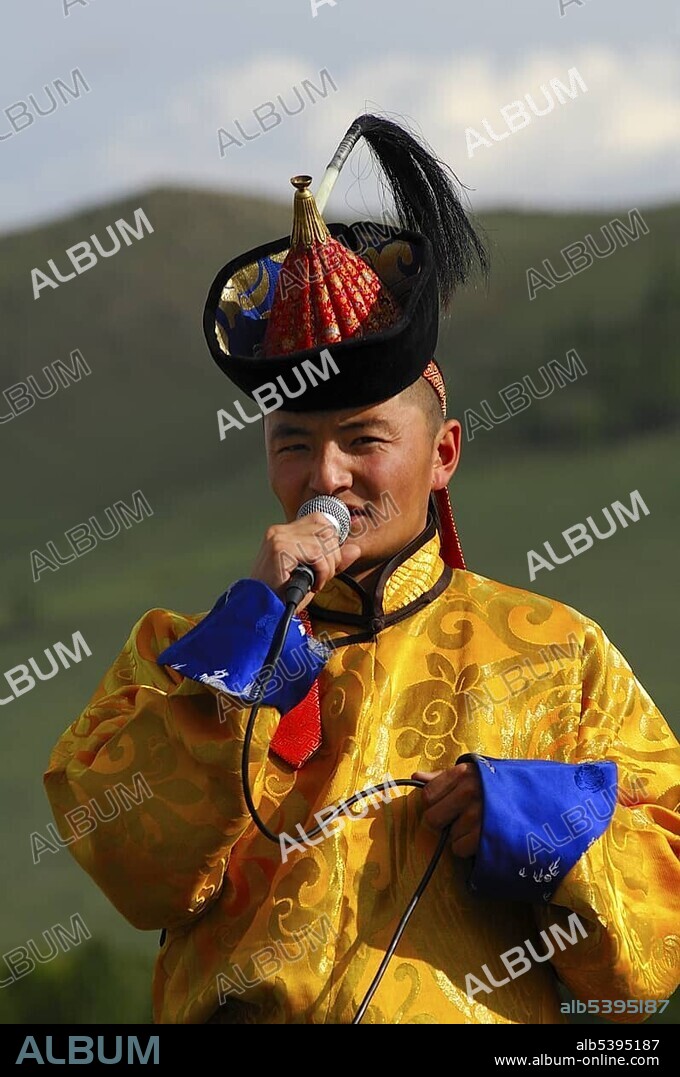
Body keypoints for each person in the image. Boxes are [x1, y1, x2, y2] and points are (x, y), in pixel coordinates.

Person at [44, 115, 680, 1025]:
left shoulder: (562, 656)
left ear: (445, 452)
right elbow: (134, 869)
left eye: (365, 441)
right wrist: (240, 650)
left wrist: (541, 824)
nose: (326, 477)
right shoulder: (177, 655)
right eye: (294, 443)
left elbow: (653, 949)